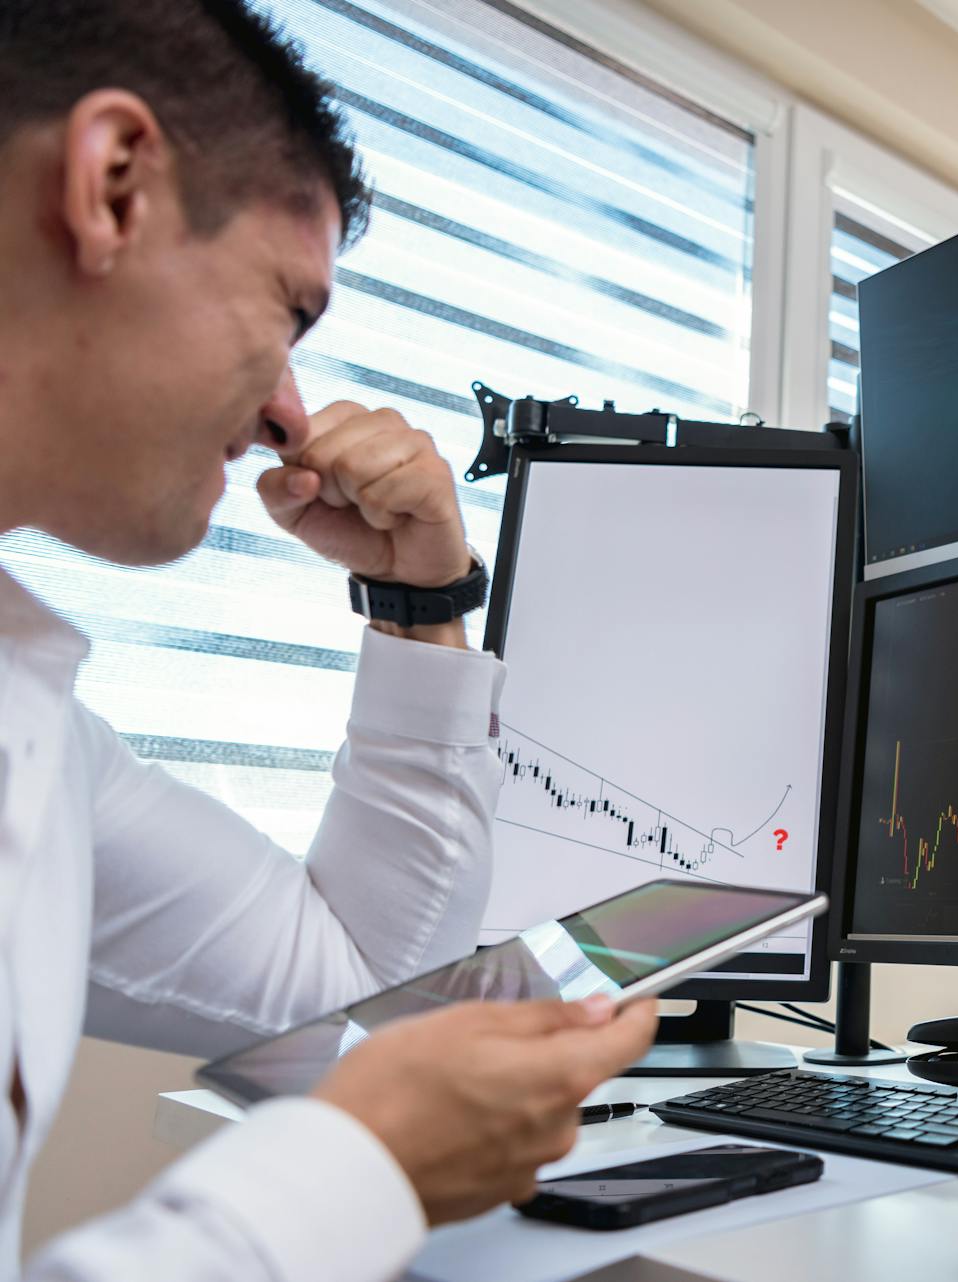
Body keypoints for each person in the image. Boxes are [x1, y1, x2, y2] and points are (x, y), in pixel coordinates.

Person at [0, 2, 659, 1279]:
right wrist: (359, 1168)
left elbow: (354, 981)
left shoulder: (40, 736)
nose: (287, 415)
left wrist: (420, 604)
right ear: (114, 184)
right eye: (288, 311)